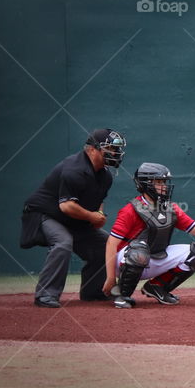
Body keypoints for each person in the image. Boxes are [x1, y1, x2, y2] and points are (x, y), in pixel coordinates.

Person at [23, 129, 126, 308]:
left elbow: (98, 201)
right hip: (44, 215)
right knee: (63, 242)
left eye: (116, 149)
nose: (115, 153)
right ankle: (45, 296)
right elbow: (66, 206)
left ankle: (92, 292)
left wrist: (99, 215)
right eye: (109, 148)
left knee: (105, 243)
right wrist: (92, 217)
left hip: (73, 220)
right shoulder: (74, 169)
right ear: (92, 149)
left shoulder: (105, 175)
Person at [102, 162, 195, 309]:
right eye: (159, 182)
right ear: (145, 184)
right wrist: (111, 277)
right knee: (139, 251)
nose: (164, 185)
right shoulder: (130, 210)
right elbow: (111, 244)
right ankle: (122, 295)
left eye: (164, 181)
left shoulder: (171, 208)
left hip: (153, 256)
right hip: (125, 261)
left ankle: (157, 287)